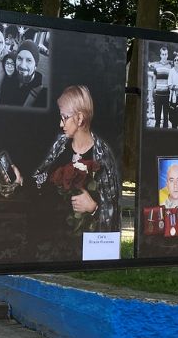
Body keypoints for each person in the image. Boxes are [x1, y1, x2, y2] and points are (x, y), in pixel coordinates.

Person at [26, 85, 121, 237]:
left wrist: (93, 208)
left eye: (64, 117)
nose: (61, 124)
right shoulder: (60, 144)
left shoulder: (102, 155)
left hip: (83, 243)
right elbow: (39, 180)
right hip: (50, 236)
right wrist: (19, 181)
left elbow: (113, 209)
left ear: (80, 118)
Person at [0, 38, 48, 107]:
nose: (22, 65)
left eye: (29, 60)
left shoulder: (42, 96)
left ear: (35, 65)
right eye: (19, 58)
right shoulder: (9, 80)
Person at [151, 45, 171, 128]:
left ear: (167, 55)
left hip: (167, 95)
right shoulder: (156, 66)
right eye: (163, 54)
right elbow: (154, 81)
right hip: (158, 95)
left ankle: (164, 134)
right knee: (157, 119)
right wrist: (152, 93)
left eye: (166, 54)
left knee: (166, 118)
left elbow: (171, 81)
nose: (164, 56)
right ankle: (156, 133)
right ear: (160, 55)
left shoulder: (170, 67)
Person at [167, 52, 178, 128]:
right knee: (173, 118)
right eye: (175, 60)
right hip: (173, 97)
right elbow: (169, 85)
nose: (176, 61)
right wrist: (177, 87)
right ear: (173, 62)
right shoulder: (171, 71)